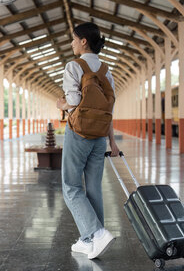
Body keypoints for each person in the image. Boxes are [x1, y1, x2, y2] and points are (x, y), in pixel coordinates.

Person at [56, 22, 119, 260]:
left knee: (71, 186)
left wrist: (61, 105)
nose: (71, 43)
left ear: (83, 41)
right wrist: (112, 141)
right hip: (100, 136)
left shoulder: (74, 65)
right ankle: (90, 240)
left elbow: (73, 101)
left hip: (79, 132)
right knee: (93, 187)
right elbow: (109, 108)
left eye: (73, 39)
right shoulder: (106, 70)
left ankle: (96, 232)